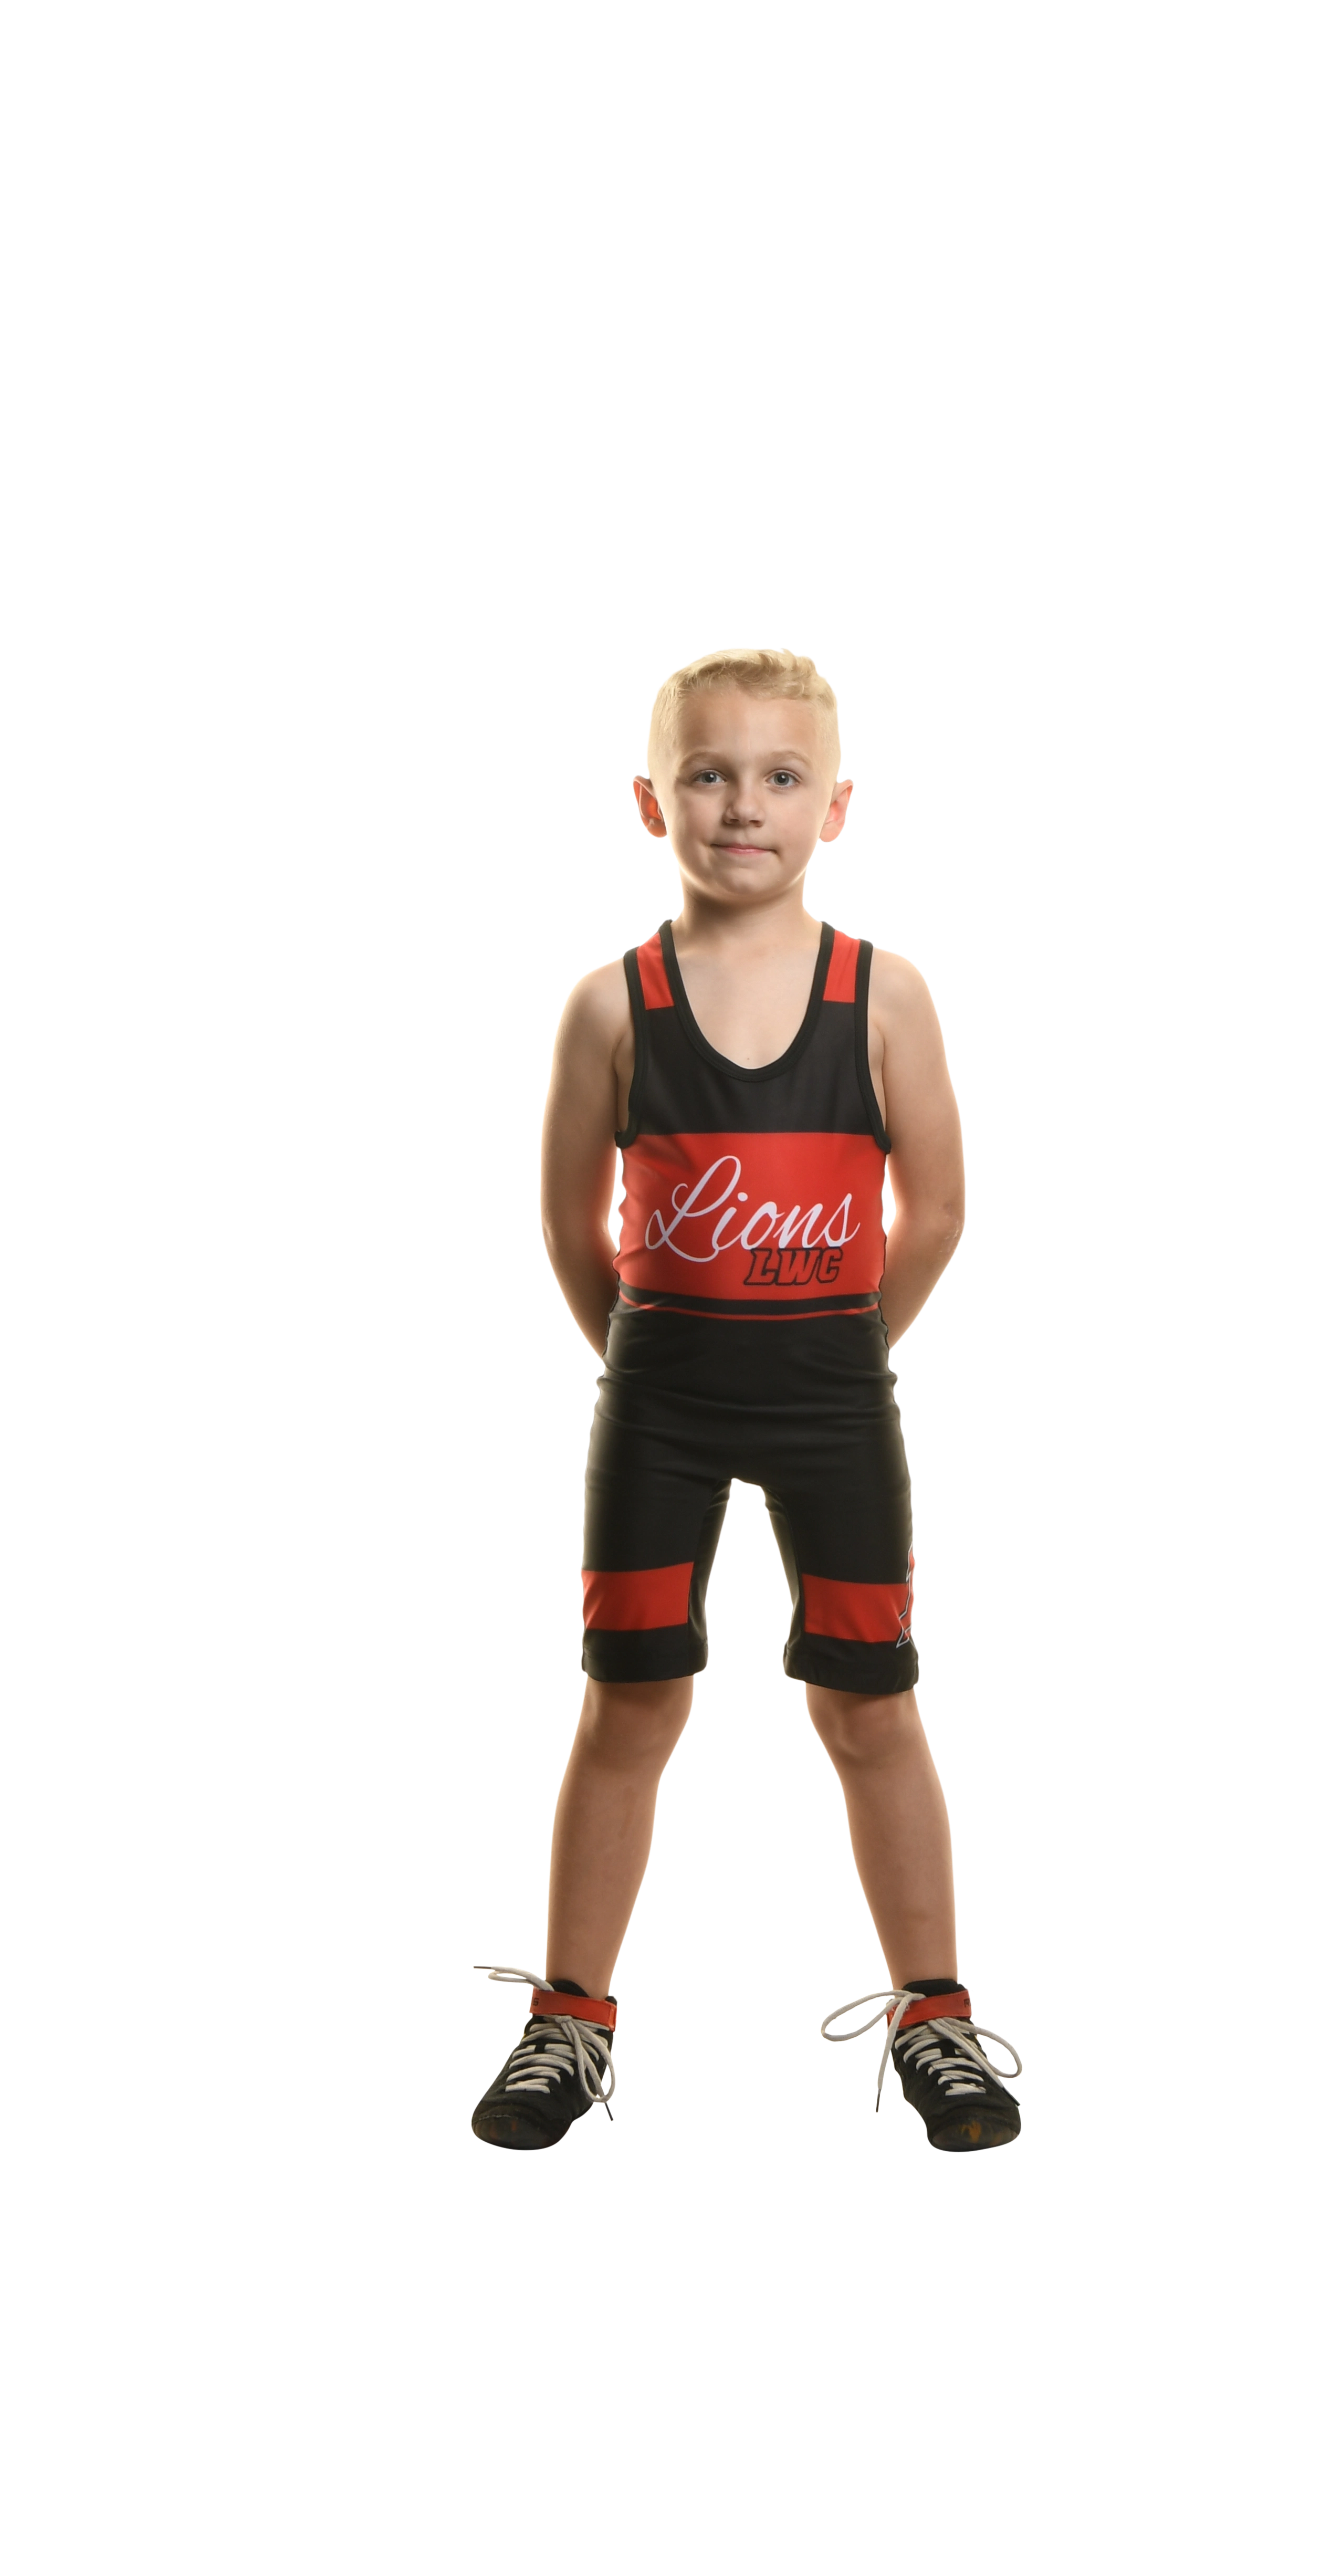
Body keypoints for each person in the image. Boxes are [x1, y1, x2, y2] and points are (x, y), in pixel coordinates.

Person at [471, 647, 1021, 2152]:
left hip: (838, 1412)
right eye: (707, 774)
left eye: (781, 777)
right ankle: (568, 2028)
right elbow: (568, 1224)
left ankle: (937, 2022)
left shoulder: (883, 993)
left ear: (835, 805)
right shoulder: (612, 1005)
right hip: (657, 1412)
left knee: (871, 1702)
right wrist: (648, 1361)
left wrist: (840, 1349)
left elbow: (940, 1209)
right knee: (629, 1699)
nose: (742, 806)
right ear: (651, 800)